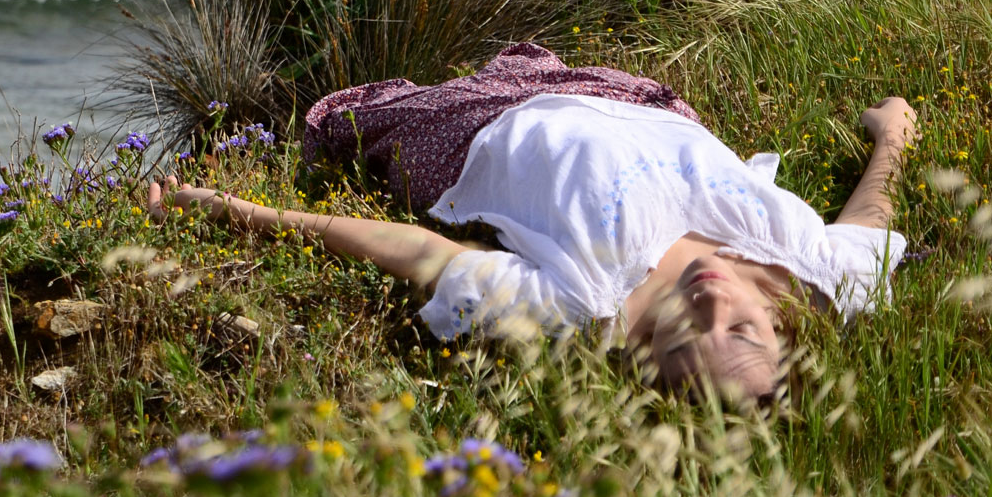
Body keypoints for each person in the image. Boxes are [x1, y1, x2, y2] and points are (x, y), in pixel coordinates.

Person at [146, 44, 914, 402]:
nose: (711, 298)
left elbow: (417, 251)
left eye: (686, 333)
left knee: (351, 119)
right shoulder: (826, 278)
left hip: (489, 129)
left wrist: (237, 209)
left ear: (648, 359)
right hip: (636, 104)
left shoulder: (578, 308)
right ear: (781, 337)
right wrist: (894, 136)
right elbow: (871, 217)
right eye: (741, 328)